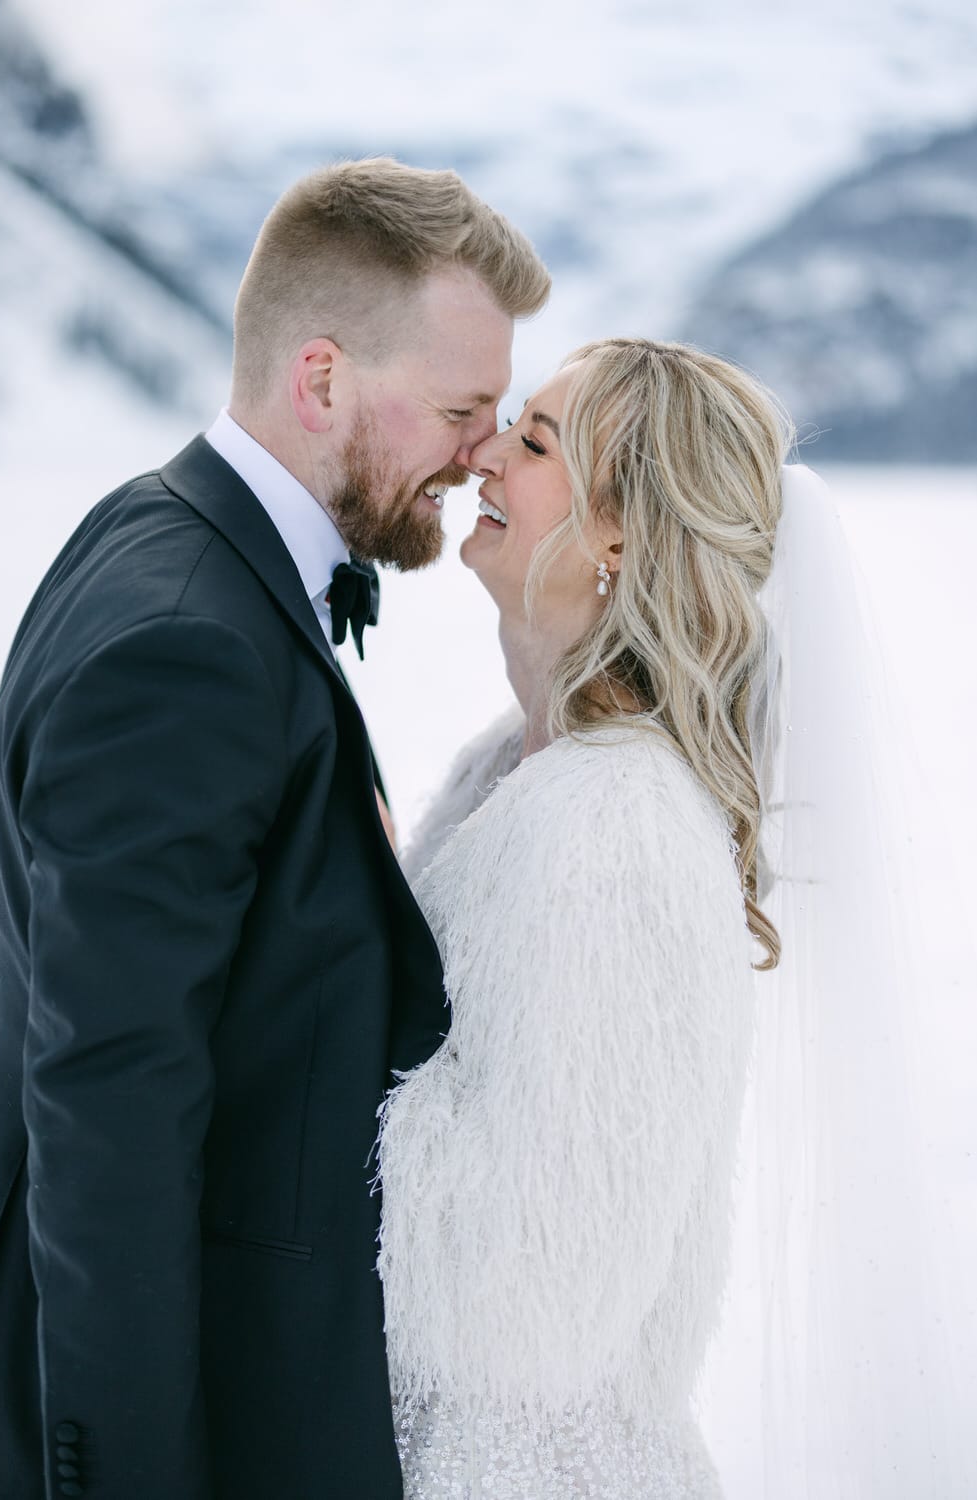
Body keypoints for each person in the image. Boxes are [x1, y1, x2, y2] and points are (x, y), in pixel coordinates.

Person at [0, 157, 550, 1500]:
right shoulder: (189, 645)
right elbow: (109, 1108)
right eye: (465, 410)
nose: (481, 455)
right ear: (322, 380)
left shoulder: (166, 534)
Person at [376, 337, 787, 1498]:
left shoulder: (613, 824)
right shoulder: (509, 768)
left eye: (536, 442)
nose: (482, 456)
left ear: (618, 534)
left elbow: (529, 1294)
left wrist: (296, 1035)